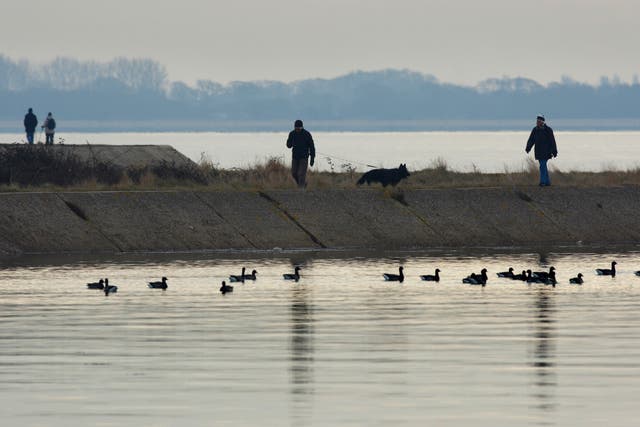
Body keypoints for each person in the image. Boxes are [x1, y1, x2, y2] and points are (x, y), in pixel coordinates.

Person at [525, 115, 557, 187]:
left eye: (539, 121)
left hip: (546, 152)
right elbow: (531, 140)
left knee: (542, 165)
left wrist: (554, 151)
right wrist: (528, 147)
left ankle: (542, 182)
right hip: (538, 152)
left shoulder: (548, 130)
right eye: (537, 121)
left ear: (542, 122)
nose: (537, 122)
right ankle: (547, 182)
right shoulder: (535, 130)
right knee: (543, 166)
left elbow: (552, 141)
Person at [286, 119, 315, 188]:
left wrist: (312, 159)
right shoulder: (292, 134)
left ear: (302, 127)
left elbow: (312, 147)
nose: (297, 129)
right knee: (294, 173)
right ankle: (303, 184)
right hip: (295, 157)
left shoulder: (307, 134)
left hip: (304, 157)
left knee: (301, 174)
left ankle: (301, 189)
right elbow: (288, 145)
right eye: (296, 128)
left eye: (299, 128)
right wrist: (290, 144)